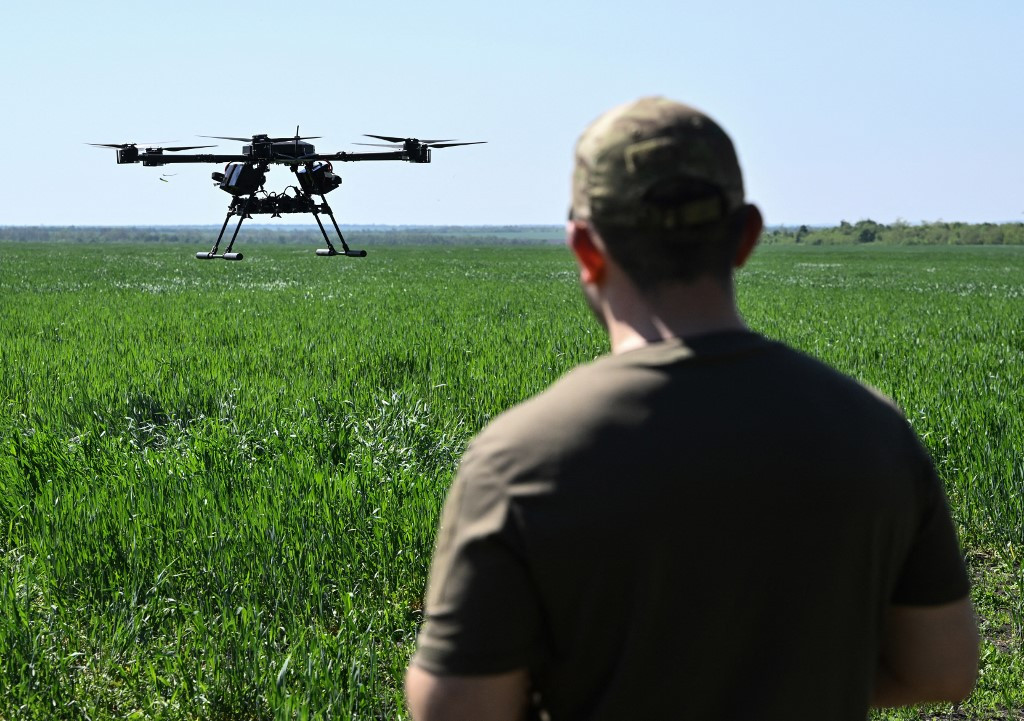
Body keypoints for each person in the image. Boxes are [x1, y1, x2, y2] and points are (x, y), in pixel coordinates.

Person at [405, 97, 979, 720]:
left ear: (585, 248)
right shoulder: (875, 434)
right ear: (746, 237)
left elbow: (456, 708)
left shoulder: (518, 459)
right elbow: (943, 669)